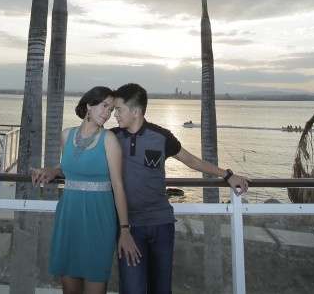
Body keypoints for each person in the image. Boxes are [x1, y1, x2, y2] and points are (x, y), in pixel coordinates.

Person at [111, 82, 251, 294]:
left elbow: (192, 161)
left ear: (136, 111)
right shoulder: (111, 137)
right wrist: (55, 170)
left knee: (161, 289)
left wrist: (227, 175)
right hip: (130, 227)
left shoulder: (161, 136)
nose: (115, 115)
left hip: (162, 225)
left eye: (119, 110)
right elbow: (87, 159)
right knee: (132, 289)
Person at [31, 86, 141, 294]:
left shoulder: (109, 139)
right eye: (104, 106)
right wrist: (52, 171)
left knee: (95, 280)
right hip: (69, 217)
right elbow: (69, 169)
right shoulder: (66, 135)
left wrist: (125, 229)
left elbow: (118, 185)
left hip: (98, 219)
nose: (108, 113)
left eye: (111, 109)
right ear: (89, 106)